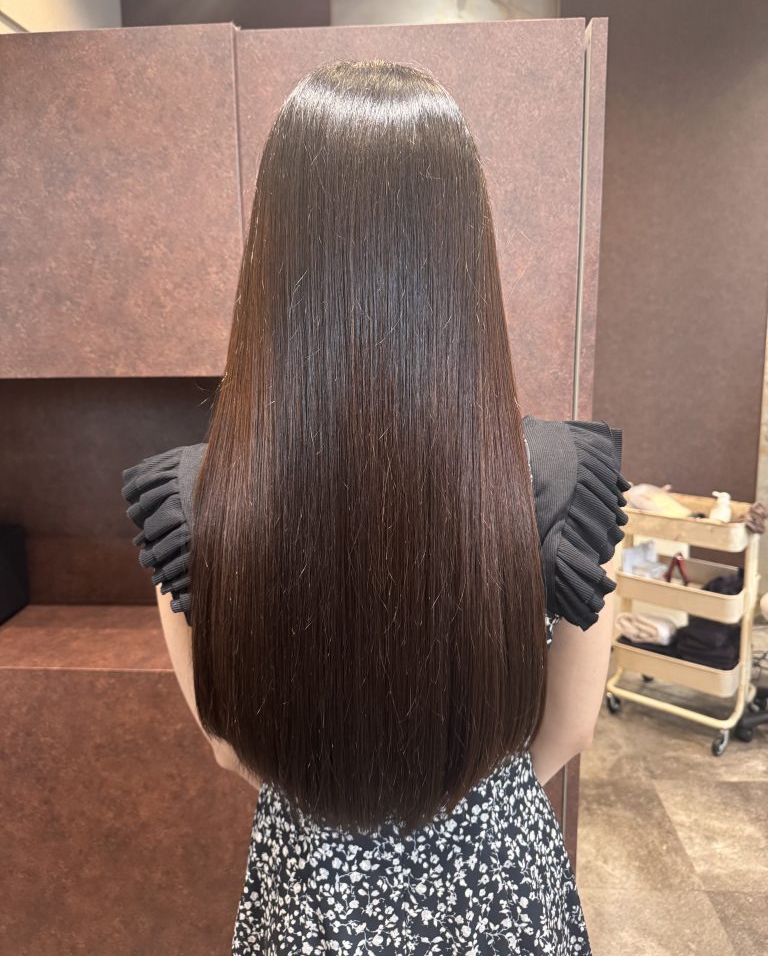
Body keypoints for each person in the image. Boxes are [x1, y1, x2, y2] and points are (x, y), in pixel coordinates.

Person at [121, 59, 629, 955]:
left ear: (274, 252)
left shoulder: (197, 501)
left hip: (308, 902)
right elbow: (573, 725)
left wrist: (340, 817)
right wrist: (463, 811)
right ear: (464, 253)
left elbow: (229, 743)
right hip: (501, 892)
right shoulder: (564, 481)